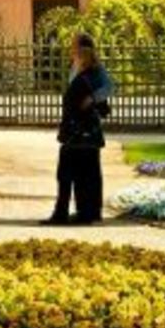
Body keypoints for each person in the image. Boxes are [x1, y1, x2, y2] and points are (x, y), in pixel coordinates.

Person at [44, 33, 112, 226]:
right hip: (82, 129)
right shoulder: (78, 69)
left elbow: (108, 88)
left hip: (80, 130)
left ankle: (69, 213)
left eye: (74, 46)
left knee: (69, 173)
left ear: (83, 51)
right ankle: (86, 212)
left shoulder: (93, 71)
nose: (70, 49)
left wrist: (92, 98)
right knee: (85, 173)